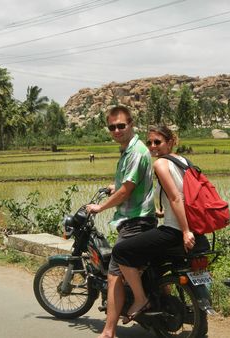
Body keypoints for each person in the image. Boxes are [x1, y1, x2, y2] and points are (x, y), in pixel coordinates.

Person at [112, 125, 202, 322]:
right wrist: (162, 212)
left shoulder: (161, 164)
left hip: (175, 230)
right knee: (151, 262)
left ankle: (141, 299)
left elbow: (177, 198)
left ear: (170, 142)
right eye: (150, 142)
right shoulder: (184, 161)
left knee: (121, 252)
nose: (153, 146)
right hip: (190, 227)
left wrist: (185, 231)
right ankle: (162, 298)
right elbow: (185, 196)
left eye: (158, 142)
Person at [86, 106, 156, 338]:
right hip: (134, 220)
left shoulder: (135, 152)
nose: (116, 130)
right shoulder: (128, 151)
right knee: (128, 270)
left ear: (131, 125)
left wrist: (100, 207)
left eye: (121, 125)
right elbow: (129, 183)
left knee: (114, 274)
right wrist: (113, 187)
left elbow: (127, 190)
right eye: (112, 127)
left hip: (135, 221)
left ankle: (111, 329)